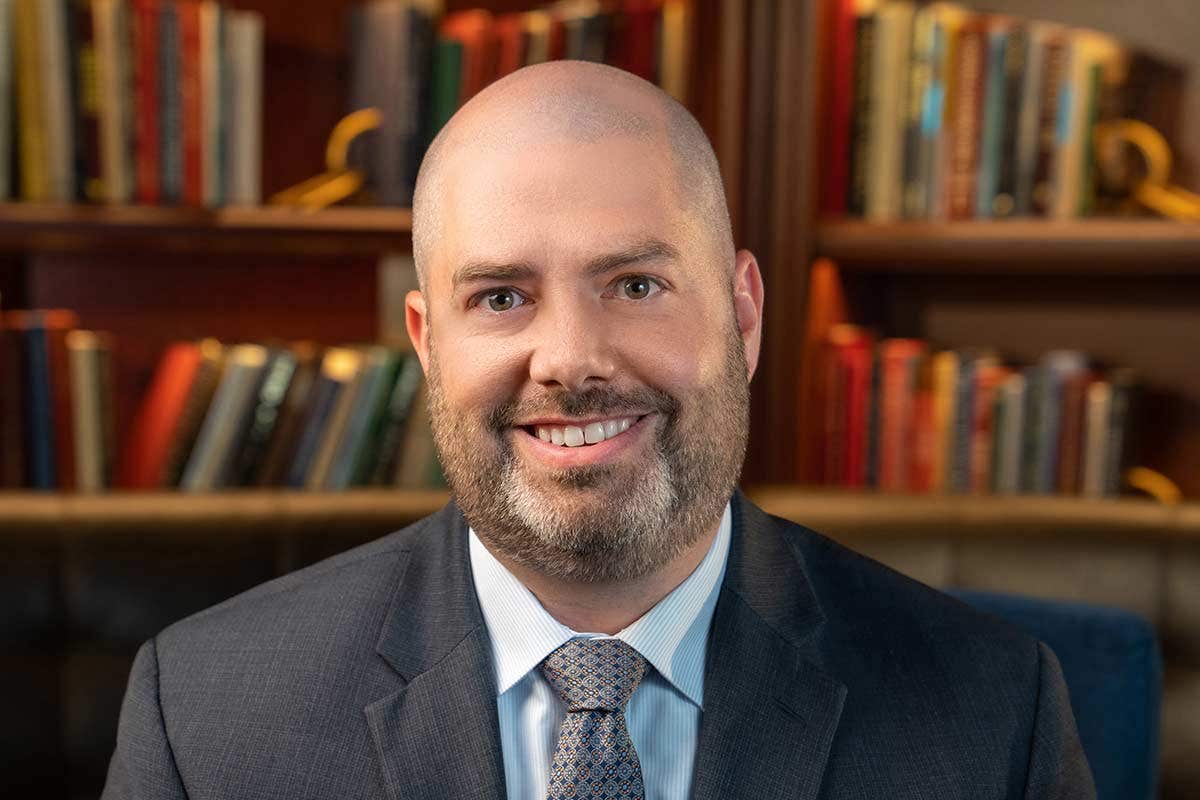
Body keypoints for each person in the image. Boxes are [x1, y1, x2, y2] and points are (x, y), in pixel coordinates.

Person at [103, 61, 1095, 800]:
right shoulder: (205, 715)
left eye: (635, 283)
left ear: (743, 316)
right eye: (501, 295)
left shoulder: (993, 711)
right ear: (427, 344)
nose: (569, 358)